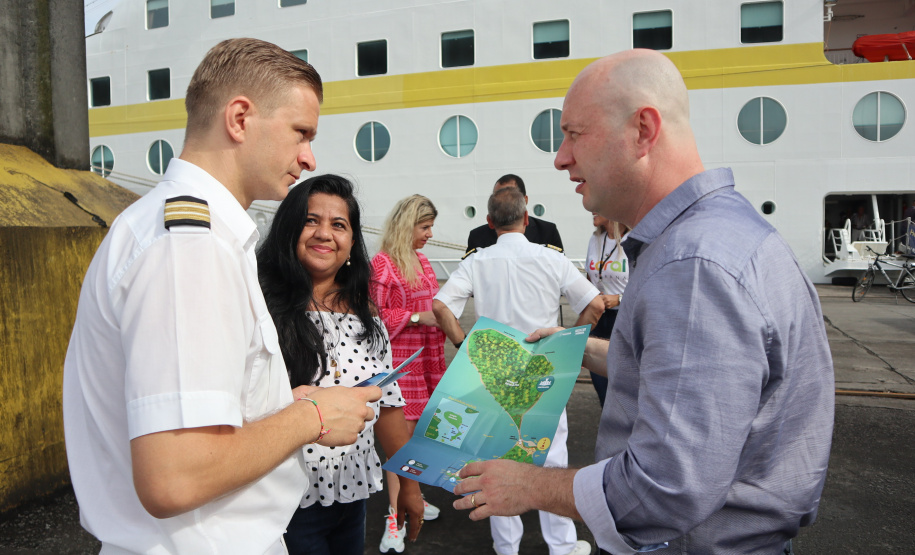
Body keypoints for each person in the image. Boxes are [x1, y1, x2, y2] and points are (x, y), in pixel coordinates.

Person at [452, 49, 834, 555]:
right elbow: (688, 374)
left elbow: (664, 489)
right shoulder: (725, 234)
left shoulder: (691, 267)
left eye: (574, 133)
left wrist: (529, 485)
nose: (560, 157)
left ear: (643, 130)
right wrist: (580, 349)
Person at [62, 38, 382, 554]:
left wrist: (285, 405)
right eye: (301, 132)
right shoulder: (191, 244)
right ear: (239, 118)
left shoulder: (177, 229)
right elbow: (175, 477)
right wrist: (312, 418)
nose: (308, 156)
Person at [257, 175, 425, 554]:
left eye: (338, 225)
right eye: (310, 220)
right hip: (284, 499)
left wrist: (411, 486)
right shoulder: (259, 309)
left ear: (351, 243)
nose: (324, 234)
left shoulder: (366, 315)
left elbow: (388, 405)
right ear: (288, 229)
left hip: (352, 495)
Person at [434, 186, 603, 555]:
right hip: (543, 369)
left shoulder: (477, 261)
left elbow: (441, 307)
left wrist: (464, 345)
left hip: (493, 372)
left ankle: (506, 548)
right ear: (527, 219)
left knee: (496, 458)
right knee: (552, 458)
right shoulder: (549, 258)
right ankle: (560, 546)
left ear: (490, 222)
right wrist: (573, 347)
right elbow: (595, 303)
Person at [369, 194, 447, 553]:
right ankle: (393, 518)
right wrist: (417, 317)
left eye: (431, 226)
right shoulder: (383, 265)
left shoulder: (423, 262)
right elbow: (373, 319)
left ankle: (414, 497)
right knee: (398, 445)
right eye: (424, 226)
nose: (430, 233)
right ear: (407, 226)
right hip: (399, 366)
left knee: (417, 440)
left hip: (426, 362)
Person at [584, 213, 630, 407]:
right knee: (602, 387)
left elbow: (648, 288)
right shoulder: (595, 240)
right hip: (598, 317)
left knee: (624, 383)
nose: (592, 211)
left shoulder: (633, 240)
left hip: (623, 319)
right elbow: (589, 279)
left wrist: (619, 298)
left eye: (597, 208)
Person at [465, 174, 563, 255]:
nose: (504, 199)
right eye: (498, 195)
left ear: (525, 200)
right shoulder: (478, 236)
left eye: (511, 194)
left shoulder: (547, 231)